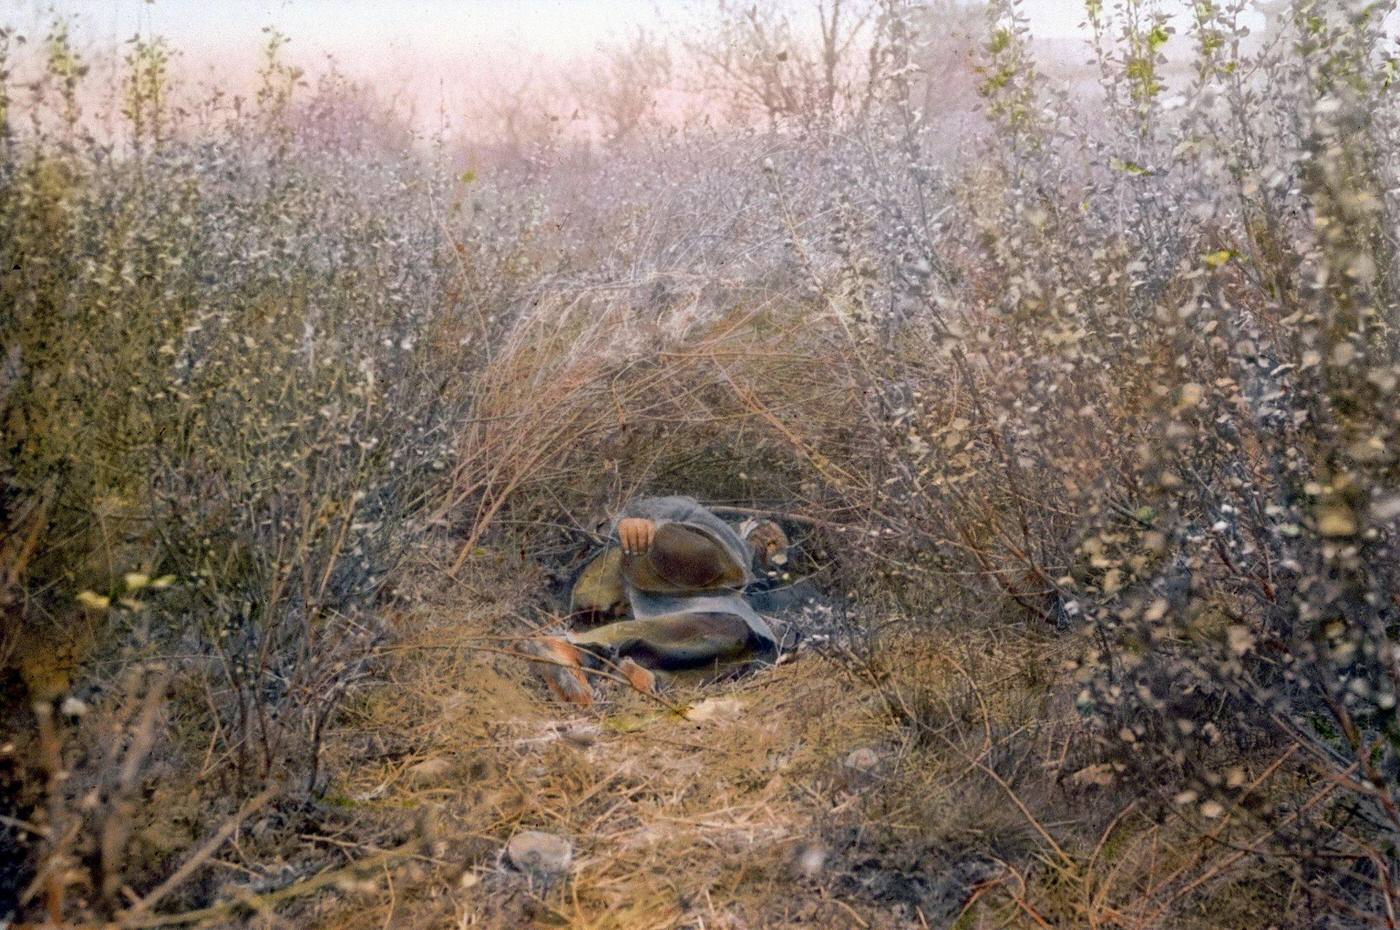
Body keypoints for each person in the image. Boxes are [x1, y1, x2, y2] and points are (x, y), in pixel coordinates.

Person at [529, 496, 788, 706]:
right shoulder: (694, 518)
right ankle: (578, 652)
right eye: (769, 539)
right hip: (612, 588)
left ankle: (614, 673)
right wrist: (630, 522)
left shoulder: (734, 577)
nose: (769, 545)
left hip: (663, 619)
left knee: (733, 639)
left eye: (773, 544)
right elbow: (617, 516)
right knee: (732, 635)